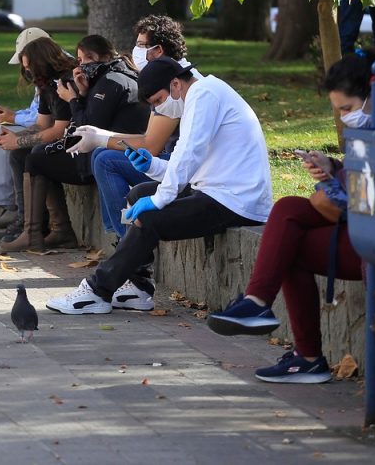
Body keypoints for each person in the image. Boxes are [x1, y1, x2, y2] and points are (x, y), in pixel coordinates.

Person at [206, 48, 375, 383]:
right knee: (288, 225)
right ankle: (286, 336)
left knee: (290, 219)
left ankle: (282, 330)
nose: (344, 118)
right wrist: (335, 169)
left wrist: (335, 182)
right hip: (373, 233)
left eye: (348, 108)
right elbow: (362, 188)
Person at [46, 57, 273, 315]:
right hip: (218, 191)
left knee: (150, 216)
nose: (159, 108)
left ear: (176, 84)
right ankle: (139, 286)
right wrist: (151, 166)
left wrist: (158, 201)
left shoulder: (204, 95)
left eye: (159, 101)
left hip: (236, 201)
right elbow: (184, 165)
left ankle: (97, 291)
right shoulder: (200, 95)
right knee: (138, 193)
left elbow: (189, 156)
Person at [0, 35, 148, 252]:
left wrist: (73, 98)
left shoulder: (107, 81)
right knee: (29, 154)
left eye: (87, 59)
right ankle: (42, 229)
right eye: (79, 59)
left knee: (37, 158)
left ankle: (38, 232)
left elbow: (83, 127)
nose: (82, 65)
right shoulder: (91, 79)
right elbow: (47, 124)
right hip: (101, 149)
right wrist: (16, 139)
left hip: (106, 154)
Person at [66, 15, 196, 239]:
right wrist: (100, 136)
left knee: (106, 160)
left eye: (141, 45)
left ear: (158, 51)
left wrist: (100, 138)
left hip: (187, 171)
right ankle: (122, 240)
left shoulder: (175, 86)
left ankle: (127, 243)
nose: (135, 50)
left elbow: (151, 145)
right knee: (102, 155)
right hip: (176, 163)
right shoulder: (168, 77)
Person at [0, 37, 77, 244]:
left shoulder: (63, 83)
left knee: (37, 155)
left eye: (30, 67)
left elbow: (59, 130)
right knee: (20, 154)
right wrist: (16, 138)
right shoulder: (45, 85)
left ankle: (41, 229)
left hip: (80, 146)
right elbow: (42, 124)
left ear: (42, 63)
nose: (27, 72)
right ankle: (28, 222)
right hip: (66, 140)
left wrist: (18, 141)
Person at [0, 28, 48, 230]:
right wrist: (12, 114)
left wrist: (13, 117)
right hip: (45, 125)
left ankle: (6, 206)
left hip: (54, 129)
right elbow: (36, 109)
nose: (26, 70)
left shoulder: (51, 72)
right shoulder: (43, 68)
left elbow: (44, 119)